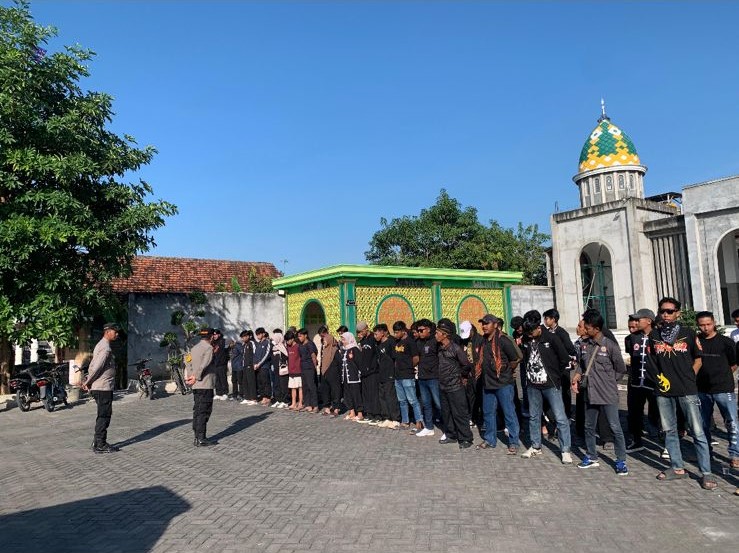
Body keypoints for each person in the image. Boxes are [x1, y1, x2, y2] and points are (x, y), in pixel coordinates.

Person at [648, 297, 717, 490]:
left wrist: (690, 377)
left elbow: (698, 359)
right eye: (663, 311)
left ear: (677, 313)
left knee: (697, 431)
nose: (666, 315)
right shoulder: (654, 335)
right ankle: (677, 467)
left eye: (670, 311)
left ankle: (706, 473)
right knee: (669, 430)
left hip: (687, 390)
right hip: (664, 391)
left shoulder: (688, 333)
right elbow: (652, 362)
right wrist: (659, 382)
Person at [571, 310, 629, 475]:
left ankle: (621, 460)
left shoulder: (610, 345)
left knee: (615, 427)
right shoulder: (585, 345)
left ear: (596, 328)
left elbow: (620, 369)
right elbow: (582, 365)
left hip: (608, 394)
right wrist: (577, 374)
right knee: (589, 426)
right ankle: (592, 456)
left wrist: (608, 382)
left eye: (587, 327)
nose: (585, 329)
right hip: (590, 393)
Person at [519, 317, 573, 463]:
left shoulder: (552, 338)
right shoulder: (526, 339)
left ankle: (565, 450)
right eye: (527, 333)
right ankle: (535, 446)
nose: (529, 335)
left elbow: (564, 359)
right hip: (533, 385)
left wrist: (555, 375)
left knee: (560, 417)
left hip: (551, 385)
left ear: (538, 328)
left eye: (531, 332)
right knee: (534, 417)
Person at [695, 311, 738, 468]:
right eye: (702, 325)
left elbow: (734, 364)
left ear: (714, 323)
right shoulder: (696, 341)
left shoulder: (726, 342)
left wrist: (723, 376)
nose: (706, 328)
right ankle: (706, 452)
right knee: (702, 424)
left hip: (723, 388)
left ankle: (735, 454)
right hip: (702, 389)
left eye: (708, 324)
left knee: (732, 423)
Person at [476, 314, 522, 453]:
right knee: (488, 413)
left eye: (487, 323)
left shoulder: (503, 340)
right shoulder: (483, 341)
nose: (484, 326)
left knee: (509, 413)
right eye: (483, 323)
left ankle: (513, 442)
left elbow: (515, 358)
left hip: (503, 383)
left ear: (495, 325)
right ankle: (490, 439)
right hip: (488, 383)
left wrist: (506, 370)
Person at [624, 309, 660, 453]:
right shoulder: (632, 338)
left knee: (658, 413)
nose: (636, 322)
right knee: (634, 412)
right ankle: (636, 440)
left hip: (654, 382)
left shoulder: (658, 337)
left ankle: (664, 443)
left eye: (639, 320)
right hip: (636, 382)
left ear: (649, 321)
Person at [82, 322, 121, 454]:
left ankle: (97, 442)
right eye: (115, 331)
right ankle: (100, 444)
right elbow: (97, 367)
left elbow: (93, 365)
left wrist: (89, 381)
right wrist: (88, 381)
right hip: (103, 387)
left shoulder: (101, 345)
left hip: (101, 386)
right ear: (107, 332)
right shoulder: (105, 348)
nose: (117, 334)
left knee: (103, 414)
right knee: (104, 415)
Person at [435, 319, 474, 448]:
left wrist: (460, 376)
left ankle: (466, 438)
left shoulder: (456, 349)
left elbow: (466, 365)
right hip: (443, 386)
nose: (436, 334)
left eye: (438, 332)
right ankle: (451, 435)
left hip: (455, 387)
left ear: (445, 334)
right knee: (446, 413)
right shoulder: (440, 348)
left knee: (459, 413)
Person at [543, 308, 577, 420]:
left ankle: (567, 413)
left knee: (565, 390)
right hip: (553, 366)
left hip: (563, 366)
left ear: (554, 319)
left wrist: (565, 358)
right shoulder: (547, 332)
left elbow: (570, 348)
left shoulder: (561, 332)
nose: (545, 321)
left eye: (547, 318)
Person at [185, 328, 216, 447]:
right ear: (211, 337)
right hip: (205, 384)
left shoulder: (194, 348)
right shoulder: (208, 348)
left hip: (196, 385)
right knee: (204, 410)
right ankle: (201, 438)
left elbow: (187, 361)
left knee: (197, 410)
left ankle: (197, 436)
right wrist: (196, 377)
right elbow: (204, 365)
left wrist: (190, 376)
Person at [392, 321, 422, 431]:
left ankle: (419, 421)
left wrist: (408, 367)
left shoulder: (410, 342)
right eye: (394, 332)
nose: (395, 334)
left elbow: (416, 358)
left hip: (407, 376)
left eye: (397, 332)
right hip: (398, 376)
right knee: (402, 401)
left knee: (412, 400)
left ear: (403, 331)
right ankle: (405, 421)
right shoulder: (396, 342)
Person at [415, 319, 441, 437]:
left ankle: (448, 428)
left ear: (428, 329)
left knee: (439, 403)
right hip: (422, 377)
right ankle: (429, 427)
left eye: (422, 330)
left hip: (433, 377)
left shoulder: (435, 341)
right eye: (418, 330)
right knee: (426, 404)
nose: (419, 333)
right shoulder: (418, 342)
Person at [374, 323, 401, 429]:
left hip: (390, 374)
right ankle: (387, 418)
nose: (375, 336)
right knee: (382, 397)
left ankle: (396, 419)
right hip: (381, 374)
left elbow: (395, 359)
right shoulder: (379, 345)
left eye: (376, 334)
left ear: (382, 333)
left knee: (391, 397)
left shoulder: (390, 342)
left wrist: (394, 373)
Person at [460, 320, 484, 427]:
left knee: (482, 398)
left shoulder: (480, 340)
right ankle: (473, 418)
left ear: (472, 330)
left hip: (480, 374)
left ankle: (483, 419)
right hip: (469, 375)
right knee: (471, 397)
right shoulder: (464, 341)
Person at [357, 321, 381, 424]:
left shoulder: (373, 338)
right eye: (359, 332)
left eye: (361, 331)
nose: (360, 333)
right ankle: (369, 413)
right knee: (366, 393)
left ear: (366, 329)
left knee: (374, 394)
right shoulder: (362, 340)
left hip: (373, 371)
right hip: (364, 371)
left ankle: (377, 414)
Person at [318, 325, 342, 416]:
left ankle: (336, 408)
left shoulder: (335, 350)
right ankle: (327, 408)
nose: (323, 341)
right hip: (324, 373)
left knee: (335, 391)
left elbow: (339, 362)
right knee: (325, 390)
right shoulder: (324, 349)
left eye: (325, 339)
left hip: (334, 373)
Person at [340, 332, 364, 421]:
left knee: (356, 394)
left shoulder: (354, 349)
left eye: (344, 339)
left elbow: (359, 362)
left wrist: (359, 373)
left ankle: (360, 413)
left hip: (354, 377)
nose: (342, 341)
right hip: (346, 378)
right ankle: (352, 412)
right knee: (347, 395)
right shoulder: (344, 350)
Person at [297, 328, 319, 413]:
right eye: (298, 336)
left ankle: (315, 405)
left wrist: (314, 368)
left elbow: (313, 356)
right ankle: (308, 405)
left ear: (305, 335)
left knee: (311, 387)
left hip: (310, 368)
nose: (299, 338)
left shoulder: (310, 344)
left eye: (300, 336)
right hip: (303, 368)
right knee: (305, 387)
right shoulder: (301, 345)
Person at [271, 329, 290, 408]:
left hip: (282, 370)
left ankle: (285, 401)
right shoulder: (274, 347)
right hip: (276, 370)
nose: (274, 340)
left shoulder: (282, 347)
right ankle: (278, 400)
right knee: (277, 385)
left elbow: (285, 357)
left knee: (283, 386)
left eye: (275, 338)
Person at [253, 328, 273, 406]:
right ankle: (263, 396)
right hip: (257, 367)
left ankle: (268, 397)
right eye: (257, 335)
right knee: (260, 382)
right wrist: (254, 364)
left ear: (263, 334)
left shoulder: (267, 342)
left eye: (259, 334)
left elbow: (266, 355)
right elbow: (255, 355)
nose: (258, 336)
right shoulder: (259, 344)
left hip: (264, 366)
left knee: (266, 382)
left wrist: (259, 364)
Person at [229, 330, 249, 401]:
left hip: (239, 367)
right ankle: (235, 394)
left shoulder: (238, 346)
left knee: (240, 381)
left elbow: (243, 353)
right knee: (234, 381)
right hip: (234, 367)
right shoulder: (232, 348)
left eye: (230, 343)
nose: (229, 345)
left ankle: (241, 394)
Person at [285, 330, 303, 410]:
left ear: (292, 339)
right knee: (292, 388)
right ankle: (293, 403)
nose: (287, 342)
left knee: (300, 388)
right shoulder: (288, 347)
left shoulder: (298, 347)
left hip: (298, 371)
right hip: (291, 371)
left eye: (288, 340)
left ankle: (300, 403)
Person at [239, 330, 257, 406]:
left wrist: (254, 363)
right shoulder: (245, 344)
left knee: (251, 382)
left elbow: (255, 353)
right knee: (245, 382)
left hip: (250, 365)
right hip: (245, 366)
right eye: (242, 337)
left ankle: (253, 398)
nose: (242, 339)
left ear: (248, 336)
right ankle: (247, 397)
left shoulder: (252, 343)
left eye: (244, 337)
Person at [211, 329, 229, 401]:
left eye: (215, 334)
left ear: (219, 334)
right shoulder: (213, 342)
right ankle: (218, 393)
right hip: (215, 363)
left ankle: (225, 393)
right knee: (217, 379)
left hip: (222, 363)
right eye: (213, 335)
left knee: (223, 378)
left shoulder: (223, 341)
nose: (214, 336)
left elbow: (227, 349)